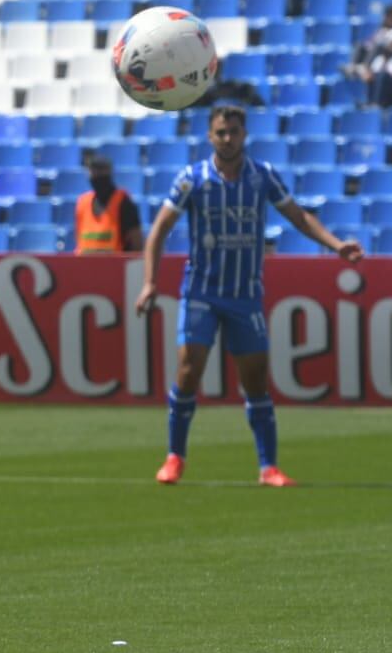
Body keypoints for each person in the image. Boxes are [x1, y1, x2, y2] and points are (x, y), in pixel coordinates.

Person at [133, 106, 363, 487]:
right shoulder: (193, 179)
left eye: (234, 132)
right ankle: (174, 457)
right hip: (201, 291)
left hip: (245, 294)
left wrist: (336, 245)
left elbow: (299, 217)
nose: (227, 139)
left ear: (244, 135)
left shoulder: (263, 176)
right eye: (221, 132)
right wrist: (149, 282)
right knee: (189, 371)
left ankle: (267, 467)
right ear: (210, 136)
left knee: (255, 378)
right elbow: (158, 231)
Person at [73, 157, 143, 254]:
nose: (97, 175)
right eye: (94, 171)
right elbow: (79, 241)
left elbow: (137, 243)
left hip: (114, 266)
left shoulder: (124, 202)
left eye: (101, 170)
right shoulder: (83, 203)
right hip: (85, 265)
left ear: (109, 172)